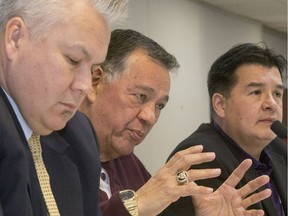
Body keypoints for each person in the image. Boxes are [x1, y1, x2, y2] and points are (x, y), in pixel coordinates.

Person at [79, 30, 272, 216]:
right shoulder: (54, 156)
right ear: (95, 82)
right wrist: (135, 204)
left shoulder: (131, 166)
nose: (150, 117)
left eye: (159, 106)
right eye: (140, 96)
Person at [0, 0, 128, 215]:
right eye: (73, 60)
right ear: (15, 38)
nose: (86, 86)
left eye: (94, 68)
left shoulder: (80, 136)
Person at [163, 43, 287, 216]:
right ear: (220, 105)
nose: (272, 105)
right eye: (256, 92)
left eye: (277, 94)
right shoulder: (199, 159)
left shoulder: (280, 150)